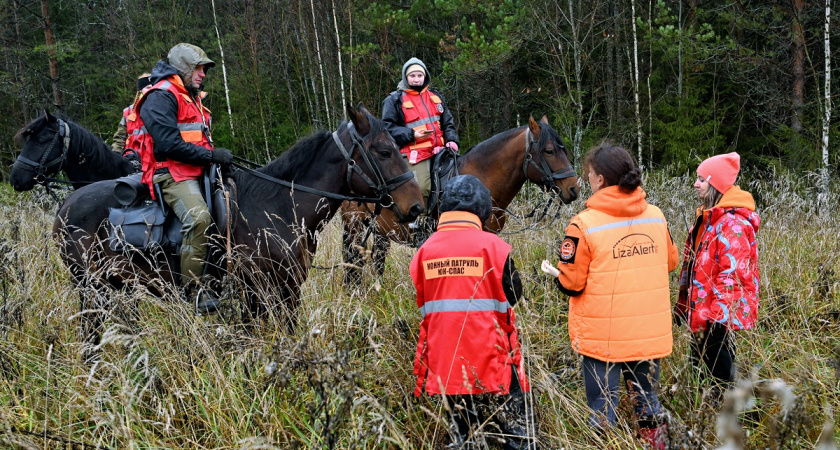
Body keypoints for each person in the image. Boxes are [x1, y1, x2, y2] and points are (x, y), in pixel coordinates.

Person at [540, 142, 678, 449]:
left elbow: (572, 284)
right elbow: (670, 262)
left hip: (602, 338)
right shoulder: (656, 216)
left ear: (599, 179)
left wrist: (558, 275)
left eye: (589, 174)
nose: (587, 179)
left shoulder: (583, 225)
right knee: (647, 403)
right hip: (647, 335)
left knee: (602, 409)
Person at [410, 174, 536, 449]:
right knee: (518, 429)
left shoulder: (424, 251)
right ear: (482, 210)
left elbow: (424, 300)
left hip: (446, 360)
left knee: (461, 431)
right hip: (494, 357)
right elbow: (513, 294)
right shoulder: (494, 247)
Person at [135, 43, 234, 314]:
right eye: (199, 69)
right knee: (199, 219)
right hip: (170, 174)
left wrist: (218, 162)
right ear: (184, 69)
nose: (203, 74)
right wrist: (212, 157)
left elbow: (198, 140)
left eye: (204, 69)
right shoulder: (161, 96)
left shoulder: (191, 96)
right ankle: (194, 290)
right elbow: (167, 145)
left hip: (198, 170)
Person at [673, 152, 760, 401]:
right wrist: (686, 306)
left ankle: (733, 420)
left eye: (701, 179)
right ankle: (708, 418)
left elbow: (732, 275)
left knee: (721, 375)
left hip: (717, 316)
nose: (696, 184)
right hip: (703, 311)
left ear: (717, 183)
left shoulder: (732, 223)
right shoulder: (711, 218)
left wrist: (718, 319)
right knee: (701, 369)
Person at [382, 57, 459, 215]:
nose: (416, 79)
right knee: (422, 188)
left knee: (459, 179)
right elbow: (388, 128)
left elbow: (448, 122)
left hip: (441, 151)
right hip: (414, 154)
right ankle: (419, 225)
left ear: (425, 76)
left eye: (419, 75)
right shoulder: (394, 100)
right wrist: (412, 134)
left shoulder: (435, 97)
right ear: (405, 77)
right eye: (412, 76)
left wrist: (451, 140)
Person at [111, 72, 153, 171]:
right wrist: (116, 157)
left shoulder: (162, 109)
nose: (150, 90)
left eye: (153, 87)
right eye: (147, 87)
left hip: (151, 163)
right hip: (129, 162)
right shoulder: (128, 112)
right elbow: (119, 138)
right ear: (140, 90)